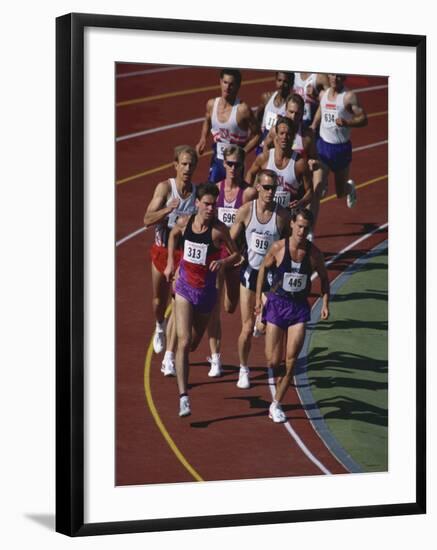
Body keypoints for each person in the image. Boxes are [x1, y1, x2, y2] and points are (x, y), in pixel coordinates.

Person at [164, 183, 240, 417]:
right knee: (184, 341)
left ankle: (181, 364)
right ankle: (183, 397)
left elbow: (237, 254)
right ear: (197, 203)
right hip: (185, 288)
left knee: (194, 344)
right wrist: (171, 263)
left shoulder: (219, 230)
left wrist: (223, 262)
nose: (210, 208)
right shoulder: (184, 222)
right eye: (206, 204)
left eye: (213, 205)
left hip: (206, 293)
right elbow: (174, 235)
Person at [255, 208, 330, 422]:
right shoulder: (279, 248)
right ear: (292, 225)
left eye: (305, 228)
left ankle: (276, 404)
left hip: (298, 309)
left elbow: (324, 278)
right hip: (277, 304)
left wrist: (325, 303)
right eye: (298, 226)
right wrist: (259, 299)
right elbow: (262, 269)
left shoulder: (314, 254)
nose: (301, 231)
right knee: (272, 361)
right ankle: (260, 324)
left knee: (291, 361)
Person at [230, 170, 290, 389]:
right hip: (250, 272)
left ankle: (260, 323)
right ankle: (243, 369)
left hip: (271, 277)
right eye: (266, 187)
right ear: (257, 188)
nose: (270, 192)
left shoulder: (282, 216)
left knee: (263, 327)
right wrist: (233, 256)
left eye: (273, 188)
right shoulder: (246, 211)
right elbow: (230, 238)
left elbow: (287, 245)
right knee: (246, 328)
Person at [143, 145, 198, 376]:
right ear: (175, 165)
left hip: (182, 256)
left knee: (178, 306)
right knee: (159, 301)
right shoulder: (165, 188)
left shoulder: (196, 193)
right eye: (183, 164)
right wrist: (168, 209)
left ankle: (169, 358)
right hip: (161, 251)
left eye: (190, 164)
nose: (186, 168)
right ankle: (159, 326)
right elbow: (146, 219)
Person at [207, 145, 257, 377]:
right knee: (214, 307)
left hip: (238, 260)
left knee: (230, 307)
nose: (233, 168)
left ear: (242, 166)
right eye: (229, 164)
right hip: (218, 259)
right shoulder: (215, 192)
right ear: (223, 164)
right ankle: (216, 359)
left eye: (237, 164)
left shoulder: (248, 194)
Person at [310, 74, 368, 208]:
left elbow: (364, 119)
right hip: (323, 147)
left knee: (340, 192)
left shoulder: (348, 97)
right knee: (317, 191)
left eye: (338, 76)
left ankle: (350, 188)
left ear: (344, 78)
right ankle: (310, 228)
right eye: (332, 75)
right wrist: (314, 124)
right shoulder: (324, 94)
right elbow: (321, 107)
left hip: (341, 149)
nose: (334, 79)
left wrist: (347, 122)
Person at [195, 68, 261, 183]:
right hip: (217, 159)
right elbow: (207, 120)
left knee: (233, 196)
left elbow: (258, 134)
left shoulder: (243, 110)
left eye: (231, 84)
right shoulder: (211, 104)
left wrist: (243, 152)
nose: (227, 87)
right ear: (220, 82)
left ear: (238, 86)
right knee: (211, 192)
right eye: (225, 83)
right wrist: (202, 139)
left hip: (235, 165)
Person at [246, 117, 313, 212]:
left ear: (293, 136)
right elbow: (250, 174)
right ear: (276, 135)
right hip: (265, 213)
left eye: (288, 134)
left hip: (288, 215)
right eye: (281, 133)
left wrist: (300, 203)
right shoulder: (265, 158)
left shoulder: (300, 163)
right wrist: (250, 195)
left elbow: (310, 192)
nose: (284, 137)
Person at [255, 71, 294, 155]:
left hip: (279, 146)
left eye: (286, 82)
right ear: (276, 81)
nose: (282, 85)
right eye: (279, 80)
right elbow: (257, 115)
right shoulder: (267, 97)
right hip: (264, 143)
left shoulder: (292, 105)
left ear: (292, 83)